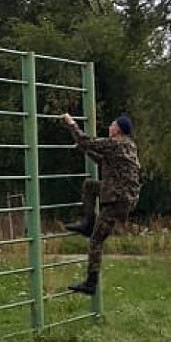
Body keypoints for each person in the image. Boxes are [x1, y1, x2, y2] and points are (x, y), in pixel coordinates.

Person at [60, 112, 141, 295]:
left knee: (96, 241)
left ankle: (91, 282)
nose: (110, 126)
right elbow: (103, 161)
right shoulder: (129, 146)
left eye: (112, 123)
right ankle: (88, 222)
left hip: (116, 201)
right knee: (89, 186)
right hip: (123, 198)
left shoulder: (115, 143)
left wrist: (71, 124)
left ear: (118, 129)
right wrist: (86, 150)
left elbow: (86, 141)